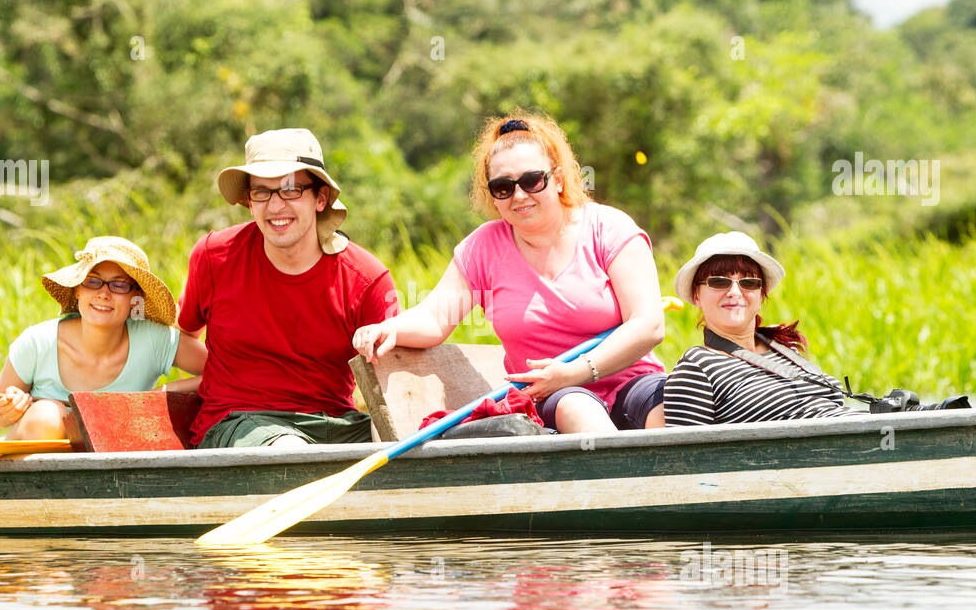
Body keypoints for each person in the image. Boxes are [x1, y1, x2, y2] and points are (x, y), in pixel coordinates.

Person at [352, 111, 667, 434]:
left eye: (532, 180)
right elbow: (434, 317)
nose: (519, 195)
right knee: (578, 407)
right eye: (503, 187)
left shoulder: (609, 228)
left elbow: (649, 324)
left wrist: (576, 370)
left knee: (669, 405)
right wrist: (388, 328)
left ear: (558, 178)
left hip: (634, 380)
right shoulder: (483, 248)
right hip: (552, 395)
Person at [179, 128, 398, 449]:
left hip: (333, 422)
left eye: (290, 190)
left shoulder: (366, 278)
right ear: (249, 203)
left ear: (320, 198)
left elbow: (393, 382)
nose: (275, 205)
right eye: (261, 192)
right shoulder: (214, 256)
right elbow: (184, 336)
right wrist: (215, 376)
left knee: (417, 442)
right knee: (289, 449)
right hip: (240, 420)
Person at [0, 236, 206, 439]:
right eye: (92, 281)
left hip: (111, 465)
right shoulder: (38, 342)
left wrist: (165, 392)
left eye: (118, 285)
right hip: (33, 464)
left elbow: (224, 370)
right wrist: (6, 407)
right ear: (77, 289)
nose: (103, 294)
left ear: (135, 297)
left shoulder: (155, 340)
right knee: (47, 416)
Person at [662, 231, 861, 426]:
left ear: (761, 296)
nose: (734, 292)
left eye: (748, 283)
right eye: (719, 281)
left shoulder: (782, 349)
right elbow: (684, 457)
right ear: (696, 295)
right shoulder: (696, 368)